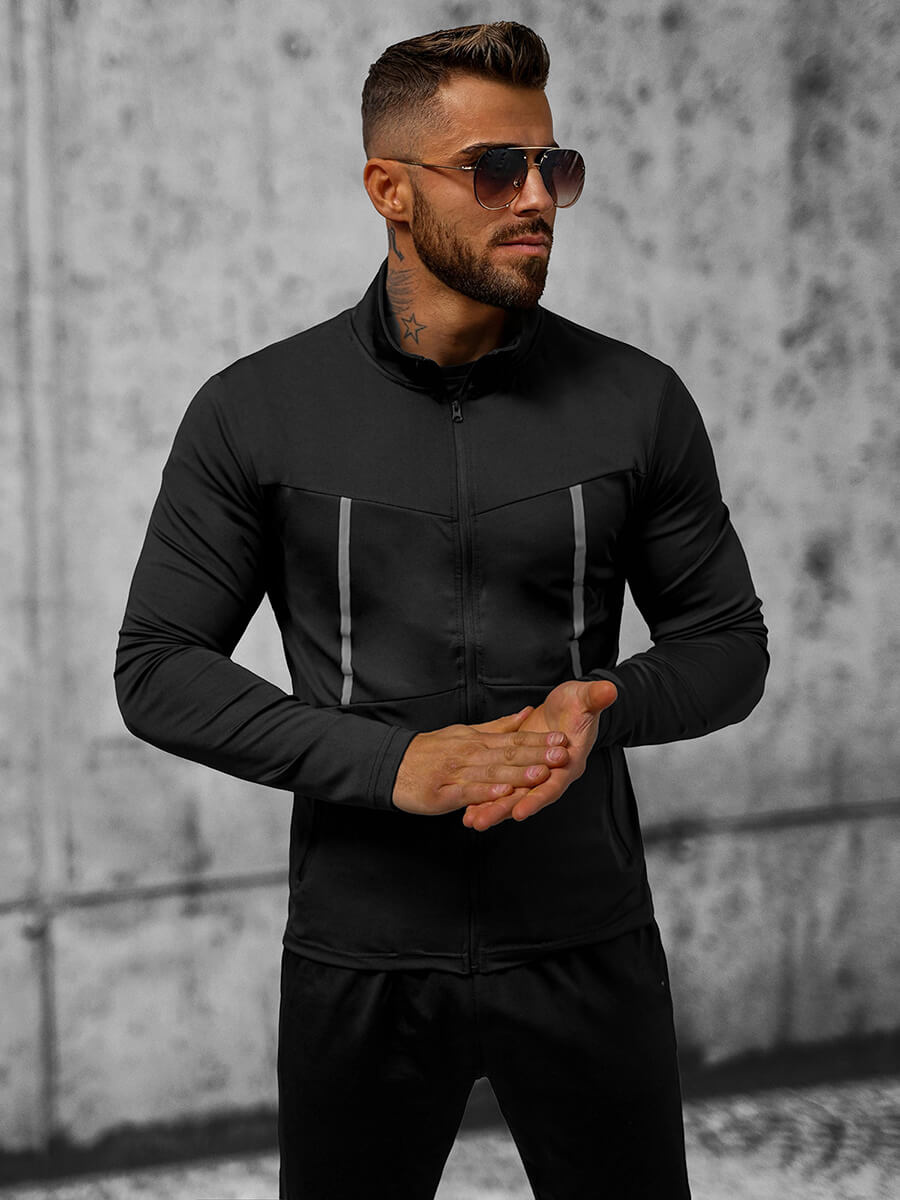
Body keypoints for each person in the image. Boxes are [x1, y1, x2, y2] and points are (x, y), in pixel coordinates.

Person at [115, 21, 768, 1200]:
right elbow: (159, 666)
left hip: (585, 940)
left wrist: (604, 704)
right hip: (361, 955)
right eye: (496, 169)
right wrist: (392, 764)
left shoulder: (637, 402)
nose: (538, 199)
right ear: (390, 190)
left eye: (554, 166)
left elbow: (728, 644)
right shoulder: (256, 412)